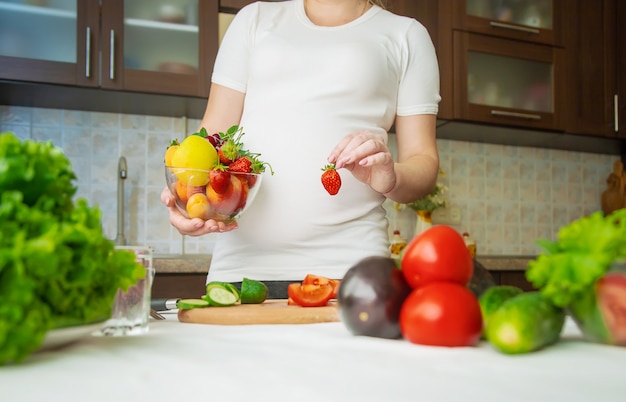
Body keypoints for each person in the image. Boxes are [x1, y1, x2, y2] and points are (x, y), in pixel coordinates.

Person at [161, 0, 441, 295]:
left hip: (351, 270)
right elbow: (211, 140)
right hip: (240, 268)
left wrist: (391, 176)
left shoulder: (406, 35)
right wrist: (186, 196)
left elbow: (423, 162)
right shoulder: (253, 20)